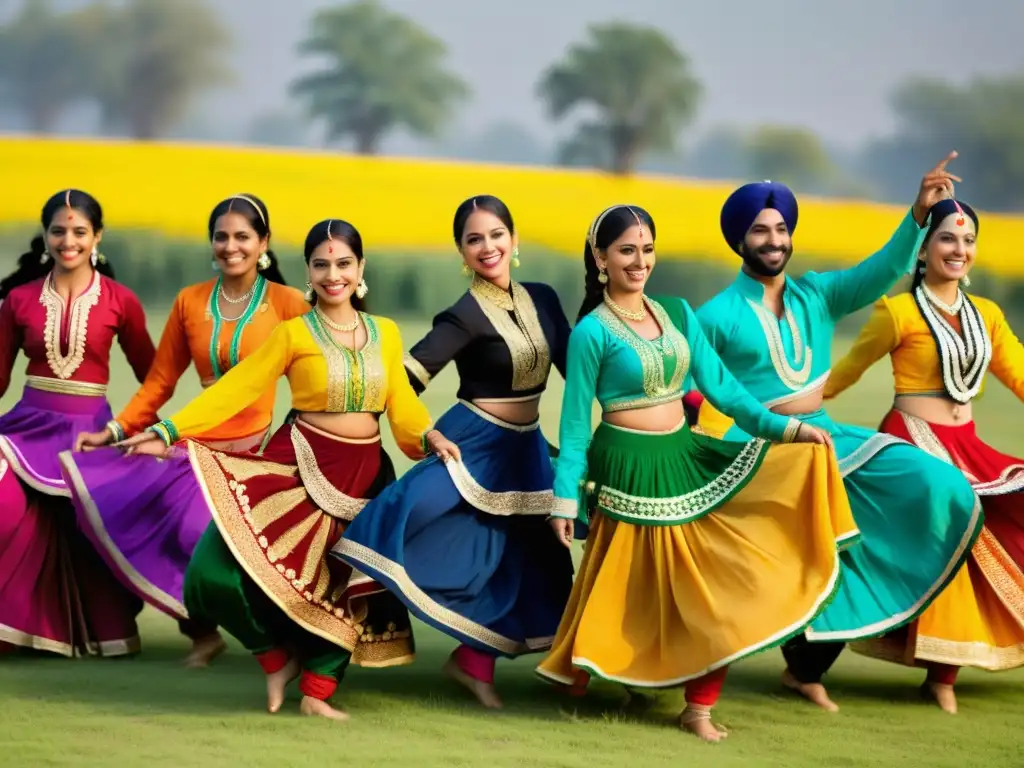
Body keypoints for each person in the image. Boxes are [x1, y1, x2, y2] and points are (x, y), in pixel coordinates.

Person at [535, 204, 858, 742]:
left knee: (711, 584)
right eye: (626, 251)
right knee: (630, 586)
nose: (640, 262)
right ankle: (590, 674)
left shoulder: (679, 313)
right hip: (627, 467)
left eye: (647, 249)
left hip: (684, 456)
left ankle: (698, 706)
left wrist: (789, 431)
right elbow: (573, 429)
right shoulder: (592, 332)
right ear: (600, 258)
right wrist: (564, 500)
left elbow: (728, 392)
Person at [112, 218, 458, 720]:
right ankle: (273, 659)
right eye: (321, 264)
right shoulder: (292, 333)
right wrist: (168, 432)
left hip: (363, 481)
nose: (333, 274)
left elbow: (401, 405)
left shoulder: (385, 333)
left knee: (345, 587)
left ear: (361, 269)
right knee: (212, 572)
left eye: (343, 263)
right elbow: (239, 388)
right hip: (298, 466)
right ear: (308, 272)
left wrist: (430, 437)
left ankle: (317, 692)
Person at [693, 153, 983, 712]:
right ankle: (799, 669)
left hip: (828, 440)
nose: (773, 240)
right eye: (760, 230)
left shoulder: (817, 294)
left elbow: (883, 269)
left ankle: (809, 665)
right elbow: (691, 384)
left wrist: (918, 215)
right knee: (820, 552)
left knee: (943, 487)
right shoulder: (717, 314)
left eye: (781, 229)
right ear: (739, 240)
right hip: (766, 451)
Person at [333, 195, 575, 710]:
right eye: (474, 240)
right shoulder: (464, 315)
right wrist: (350, 416)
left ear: (514, 240)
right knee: (408, 513)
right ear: (461, 254)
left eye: (495, 235)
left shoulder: (546, 300)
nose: (487, 247)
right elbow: (405, 382)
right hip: (473, 443)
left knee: (534, 556)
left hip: (526, 449)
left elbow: (582, 373)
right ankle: (325, 620)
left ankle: (474, 662)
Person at [61, 194, 308, 668]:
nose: (230, 246)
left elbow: (313, 379)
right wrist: (113, 432)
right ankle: (201, 633)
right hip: (194, 442)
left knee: (211, 537)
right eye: (221, 236)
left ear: (264, 244)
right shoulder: (189, 302)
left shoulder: (288, 303)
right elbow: (159, 382)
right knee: (157, 522)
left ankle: (284, 639)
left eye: (242, 237)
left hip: (257, 448)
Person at [825, 197, 1024, 713]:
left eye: (968, 240)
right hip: (914, 442)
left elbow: (1020, 376)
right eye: (947, 239)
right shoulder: (898, 312)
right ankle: (941, 676)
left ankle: (952, 664)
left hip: (968, 443)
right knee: (955, 532)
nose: (959, 249)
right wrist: (777, 411)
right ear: (923, 248)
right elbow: (843, 375)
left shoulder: (988, 316)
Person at [0, 189, 156, 657]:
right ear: (45, 236)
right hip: (26, 430)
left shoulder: (120, 301)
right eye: (58, 231)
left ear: (97, 237)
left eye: (79, 232)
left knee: (95, 532)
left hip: (90, 435)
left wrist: (153, 433)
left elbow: (154, 378)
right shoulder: (19, 300)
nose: (68, 241)